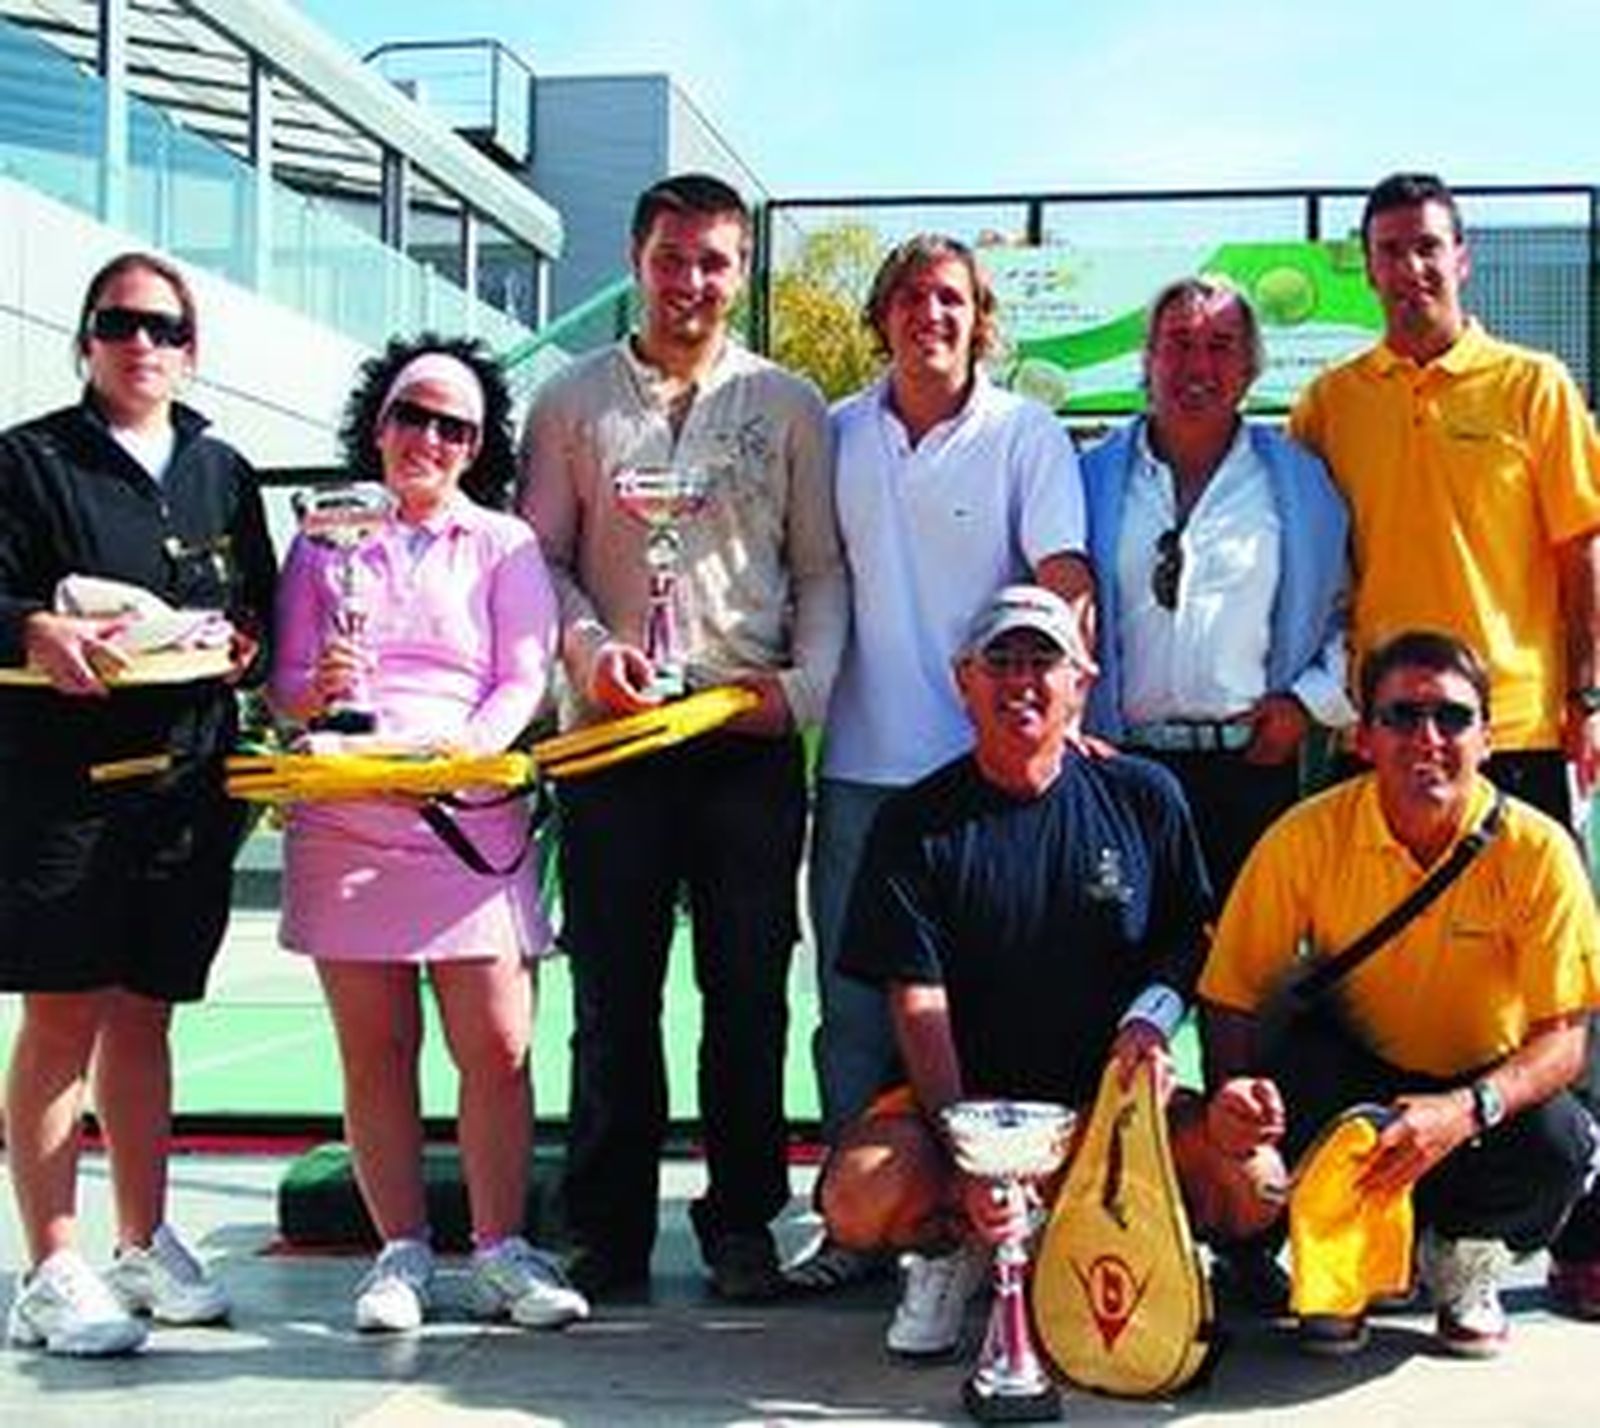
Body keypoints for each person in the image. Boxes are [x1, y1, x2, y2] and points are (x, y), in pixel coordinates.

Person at [518, 173, 846, 1301]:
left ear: (740, 270)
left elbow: (819, 571)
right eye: (671, 257)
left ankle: (742, 1219)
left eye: (712, 261)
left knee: (748, 992)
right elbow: (541, 563)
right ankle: (605, 1227)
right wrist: (585, 654)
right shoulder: (569, 402)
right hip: (613, 737)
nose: (690, 282)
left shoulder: (791, 404)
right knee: (613, 992)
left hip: (743, 731)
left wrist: (797, 694)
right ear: (635, 258)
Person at [822, 584, 1285, 1359]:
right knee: (855, 1195)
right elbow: (918, 1005)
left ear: (1083, 682)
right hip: (971, 1121)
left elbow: (1189, 940)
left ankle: (1150, 1244)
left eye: (1044, 660)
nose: (1021, 681)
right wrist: (972, 1161)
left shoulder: (1146, 796)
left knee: (1258, 1181)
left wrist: (1153, 1016)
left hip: (1117, 1115)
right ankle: (956, 1251)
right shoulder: (912, 823)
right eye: (1000, 661)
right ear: (964, 679)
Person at [1288, 172, 1600, 1317]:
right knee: (1350, 987)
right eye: (1387, 249)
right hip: (1375, 742)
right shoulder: (1330, 401)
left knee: (1554, 999)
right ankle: (1364, 1220)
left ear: (1461, 259)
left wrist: (1589, 695)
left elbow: (1578, 554)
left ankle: (1570, 1232)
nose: (1408, 267)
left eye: (1427, 246)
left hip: (1508, 729)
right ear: (1363, 267)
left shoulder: (1534, 386)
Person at [793, 234, 1093, 1291]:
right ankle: (853, 1221)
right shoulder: (831, 434)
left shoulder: (1026, 432)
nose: (933, 314)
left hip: (986, 779)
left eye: (954, 299)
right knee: (852, 1012)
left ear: (981, 320)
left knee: (988, 1013)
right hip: (864, 774)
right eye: (913, 297)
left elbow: (1062, 575)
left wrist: (1059, 707)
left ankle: (998, 1224)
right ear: (883, 315)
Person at [272, 337, 586, 1334]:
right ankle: (400, 1256)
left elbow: (522, 677)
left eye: (455, 426)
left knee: (496, 1046)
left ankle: (501, 1252)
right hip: (346, 818)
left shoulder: (504, 543)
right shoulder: (321, 537)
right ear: (381, 424)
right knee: (376, 1052)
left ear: (476, 444)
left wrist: (458, 758)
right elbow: (284, 683)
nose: (431, 439)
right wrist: (315, 692)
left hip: (467, 820)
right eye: (414, 415)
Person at [0, 251, 275, 1355]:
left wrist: (246, 646)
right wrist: (34, 628)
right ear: (87, 338)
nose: (142, 344)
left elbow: (256, 612)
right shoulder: (27, 462)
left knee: (148, 1013)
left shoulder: (220, 468)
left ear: (191, 345)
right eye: (120, 323)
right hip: (64, 785)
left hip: (185, 785)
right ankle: (51, 1264)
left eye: (163, 327)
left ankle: (143, 1238)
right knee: (63, 1015)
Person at [1201, 631, 1600, 1358]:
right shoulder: (1304, 836)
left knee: (1561, 1143)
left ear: (1489, 736)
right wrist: (1238, 1107)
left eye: (1452, 717)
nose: (1428, 737)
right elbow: (1229, 994)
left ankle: (1459, 1257)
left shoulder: (1539, 852)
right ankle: (1340, 1260)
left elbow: (1565, 1039)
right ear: (1362, 737)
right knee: (1289, 1082)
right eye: (1402, 716)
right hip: (1355, 1083)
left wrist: (1463, 1109)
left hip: (1478, 1095)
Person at [1083, 277, 1352, 900]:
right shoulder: (1089, 475)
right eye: (1178, 342)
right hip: (1120, 769)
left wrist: (1306, 704)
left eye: (1222, 344)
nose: (1197, 364)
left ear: (1251, 369)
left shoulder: (1301, 482)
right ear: (1147, 359)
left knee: (1245, 973)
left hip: (1250, 770)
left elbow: (1347, 613)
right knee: (1121, 972)